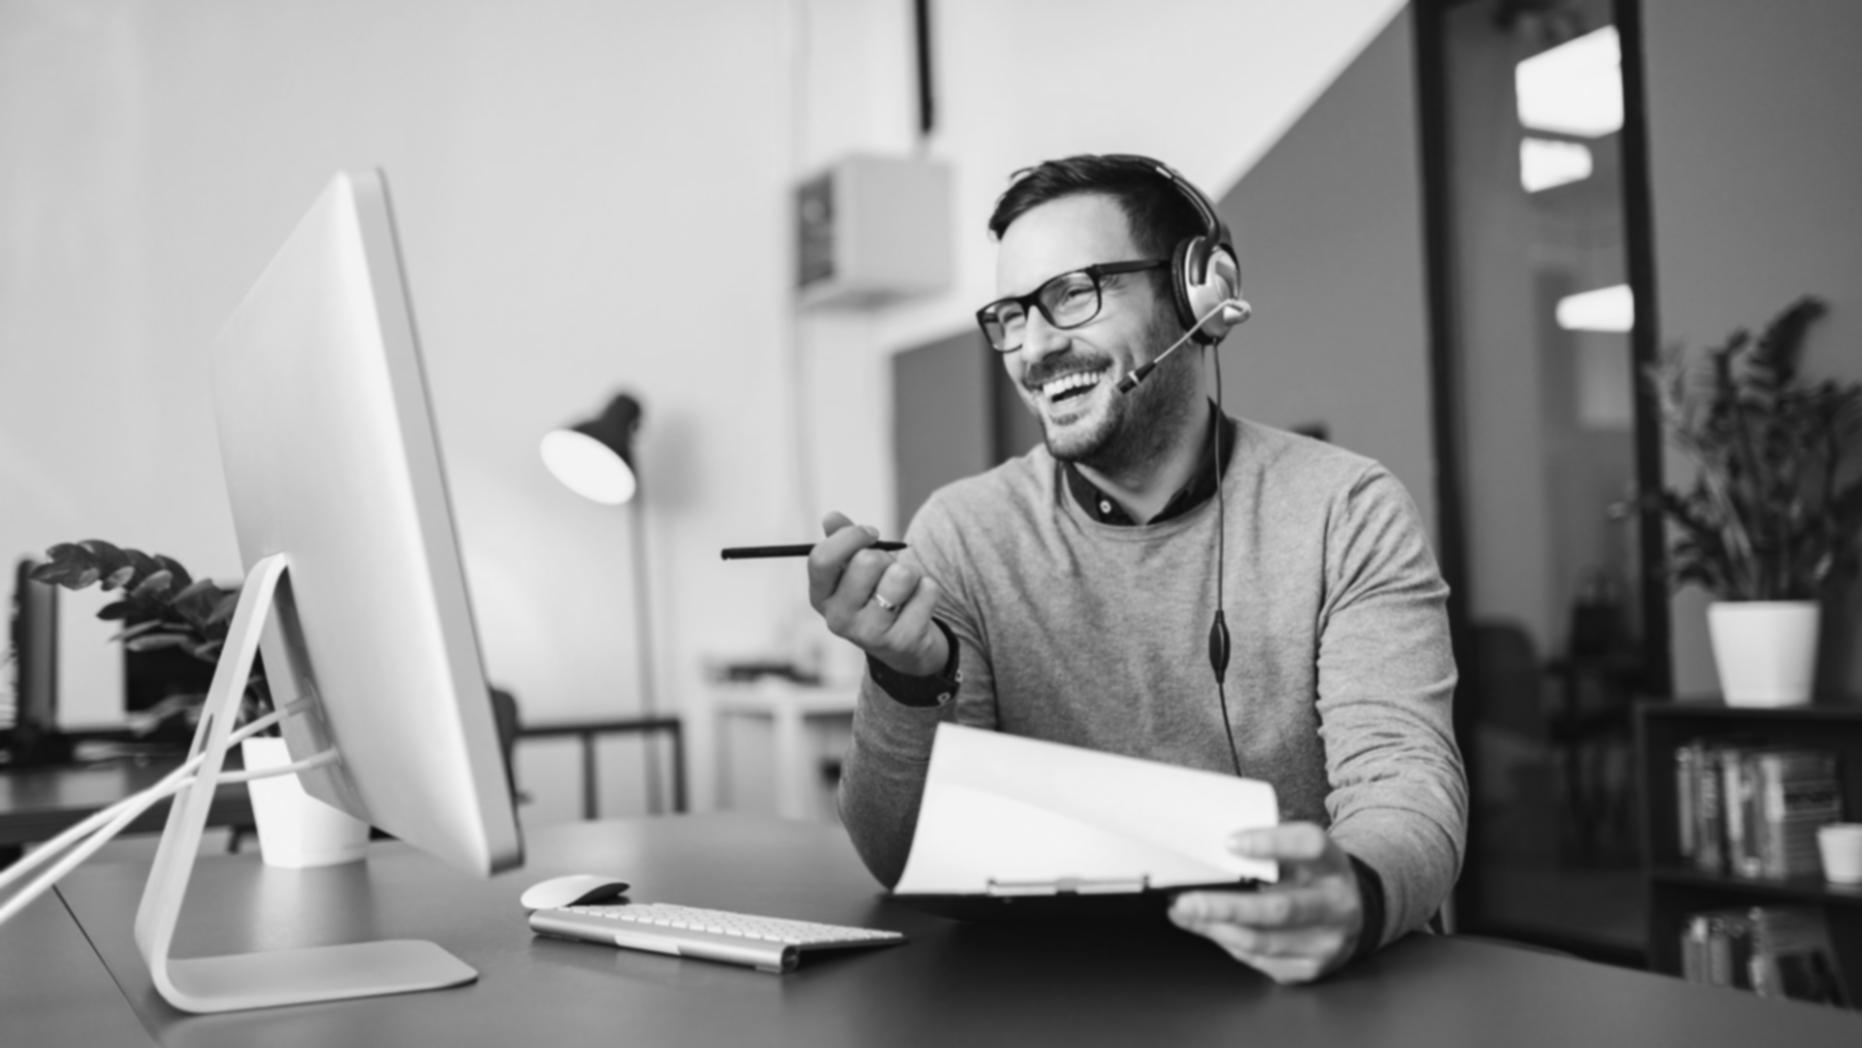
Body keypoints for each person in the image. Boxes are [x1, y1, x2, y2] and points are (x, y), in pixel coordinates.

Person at [806, 153, 1465, 984]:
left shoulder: (1346, 509)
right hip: (1061, 998)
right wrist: (906, 680)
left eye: (1073, 295)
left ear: (1199, 296)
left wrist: (1355, 895)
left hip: (1304, 986)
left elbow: (1406, 785)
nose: (1035, 347)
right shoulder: (963, 533)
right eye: (1011, 314)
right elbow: (903, 857)